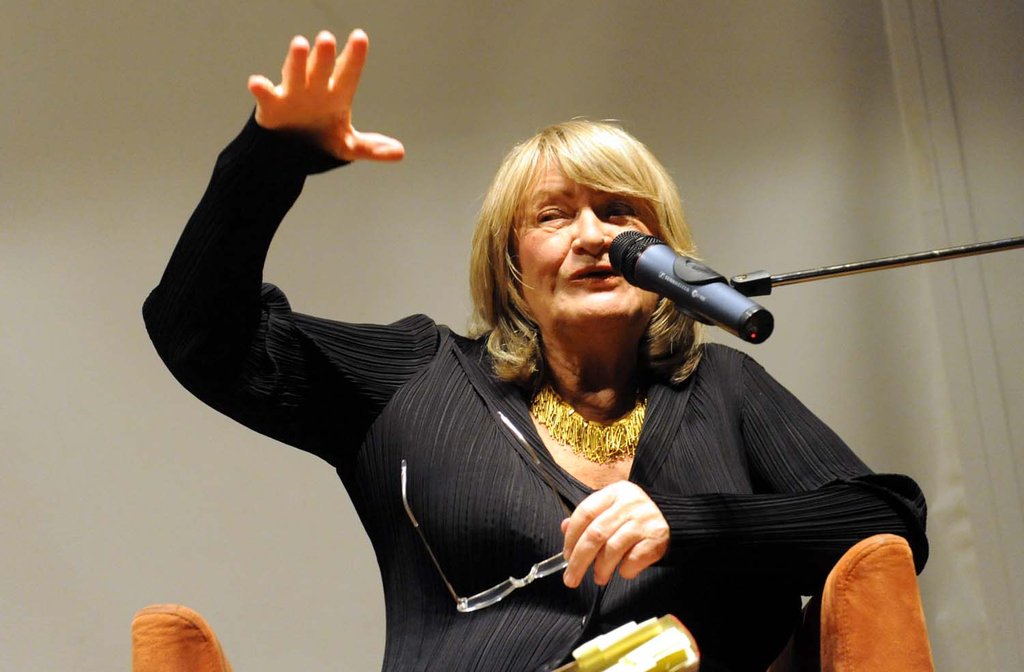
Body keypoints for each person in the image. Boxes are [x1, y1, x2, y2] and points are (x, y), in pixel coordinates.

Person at [143, 29, 928, 672]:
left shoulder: (723, 387)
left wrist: (685, 524)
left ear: (666, 250)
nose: (593, 237)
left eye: (619, 212)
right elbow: (199, 336)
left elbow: (888, 522)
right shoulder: (418, 377)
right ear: (511, 265)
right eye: (554, 216)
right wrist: (271, 157)